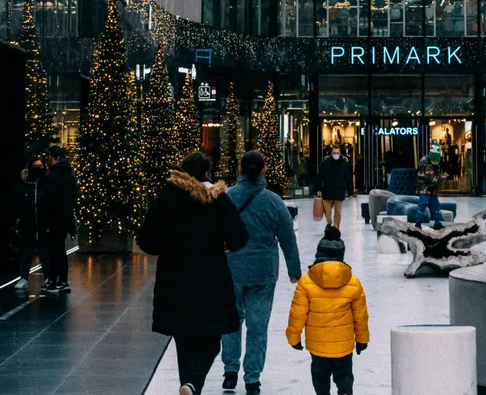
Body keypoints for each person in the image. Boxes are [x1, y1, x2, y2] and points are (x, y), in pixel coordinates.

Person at [140, 153, 250, 395]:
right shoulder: (217, 200)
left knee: (183, 338)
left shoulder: (165, 198)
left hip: (173, 280)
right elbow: (239, 237)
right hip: (211, 280)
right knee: (211, 339)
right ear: (207, 174)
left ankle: (189, 386)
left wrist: (167, 246)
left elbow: (147, 241)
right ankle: (193, 383)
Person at [222, 152, 303, 394]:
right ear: (264, 170)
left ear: (240, 168)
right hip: (263, 272)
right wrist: (294, 271)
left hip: (231, 270)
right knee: (258, 326)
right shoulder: (273, 201)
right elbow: (287, 238)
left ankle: (230, 370)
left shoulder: (226, 198)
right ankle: (252, 378)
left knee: (230, 321)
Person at [286, 226, 369, 395]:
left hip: (317, 344)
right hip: (343, 344)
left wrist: (293, 338)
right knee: (344, 375)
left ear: (318, 254)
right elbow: (360, 316)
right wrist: (362, 340)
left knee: (320, 376)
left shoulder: (306, 282)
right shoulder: (353, 282)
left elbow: (298, 313)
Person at [38, 145, 77, 294]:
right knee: (59, 249)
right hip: (65, 217)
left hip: (53, 218)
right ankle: (60, 280)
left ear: (53, 158)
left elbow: (47, 198)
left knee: (54, 250)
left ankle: (57, 280)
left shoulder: (53, 175)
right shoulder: (69, 174)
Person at [10, 157, 44, 294]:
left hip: (41, 224)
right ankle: (23, 277)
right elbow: (14, 202)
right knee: (26, 251)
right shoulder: (24, 186)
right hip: (27, 224)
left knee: (44, 252)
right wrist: (17, 220)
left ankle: (48, 277)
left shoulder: (43, 185)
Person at [415, 147, 450, 229]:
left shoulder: (434, 165)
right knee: (423, 205)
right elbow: (431, 179)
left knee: (436, 205)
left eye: (437, 161)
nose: (436, 162)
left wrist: (441, 176)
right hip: (424, 189)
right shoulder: (426, 166)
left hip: (432, 189)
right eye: (434, 161)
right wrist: (442, 177)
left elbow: (435, 177)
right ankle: (417, 223)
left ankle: (437, 223)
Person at [317, 146, 351, 228]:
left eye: (337, 153)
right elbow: (319, 177)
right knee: (327, 211)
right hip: (327, 190)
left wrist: (350, 192)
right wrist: (319, 189)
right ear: (331, 153)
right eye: (334, 153)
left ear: (340, 153)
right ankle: (329, 222)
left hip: (339, 191)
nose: (336, 154)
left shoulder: (344, 163)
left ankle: (336, 228)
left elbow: (348, 178)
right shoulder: (325, 163)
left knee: (338, 212)